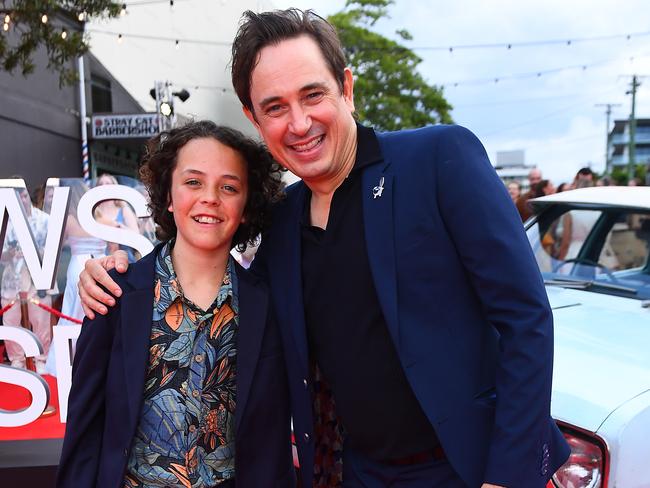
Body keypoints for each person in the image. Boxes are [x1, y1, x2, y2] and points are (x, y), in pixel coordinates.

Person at [79, 9, 569, 488]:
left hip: (469, 466)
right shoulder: (283, 219)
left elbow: (526, 319)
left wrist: (507, 478)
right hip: (355, 471)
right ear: (254, 118)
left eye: (312, 95)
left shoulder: (439, 159)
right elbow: (220, 296)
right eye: (274, 107)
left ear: (346, 89)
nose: (299, 123)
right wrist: (109, 272)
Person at [58, 122, 294, 488]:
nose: (210, 197)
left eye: (229, 187)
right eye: (193, 182)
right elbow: (85, 426)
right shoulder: (114, 293)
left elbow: (274, 435)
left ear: (247, 207)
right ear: (168, 195)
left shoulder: (268, 304)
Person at [44, 179, 108, 376]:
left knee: (74, 314)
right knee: (83, 312)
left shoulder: (70, 218)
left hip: (80, 264)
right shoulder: (99, 217)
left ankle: (67, 363)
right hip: (99, 263)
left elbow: (57, 242)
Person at [1, 183, 56, 373]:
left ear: (27, 195)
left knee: (40, 319)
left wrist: (34, 252)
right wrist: (10, 253)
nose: (20, 199)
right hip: (11, 279)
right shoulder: (4, 222)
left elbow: (55, 249)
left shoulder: (45, 220)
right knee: (10, 319)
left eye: (23, 195)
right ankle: (17, 360)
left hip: (38, 278)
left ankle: (43, 359)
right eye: (15, 196)